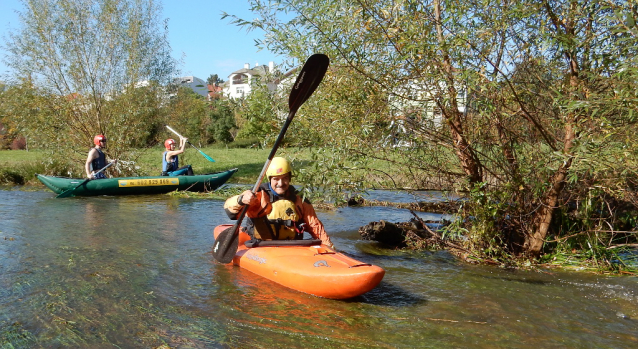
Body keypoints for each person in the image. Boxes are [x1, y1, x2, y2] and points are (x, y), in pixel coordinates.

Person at [223, 157, 334, 248]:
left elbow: (315, 226)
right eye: (276, 179)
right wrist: (241, 200)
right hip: (261, 246)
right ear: (270, 179)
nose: (280, 183)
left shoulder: (299, 199)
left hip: (293, 247)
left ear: (289, 178)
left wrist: (329, 247)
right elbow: (231, 213)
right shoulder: (258, 195)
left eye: (284, 178)